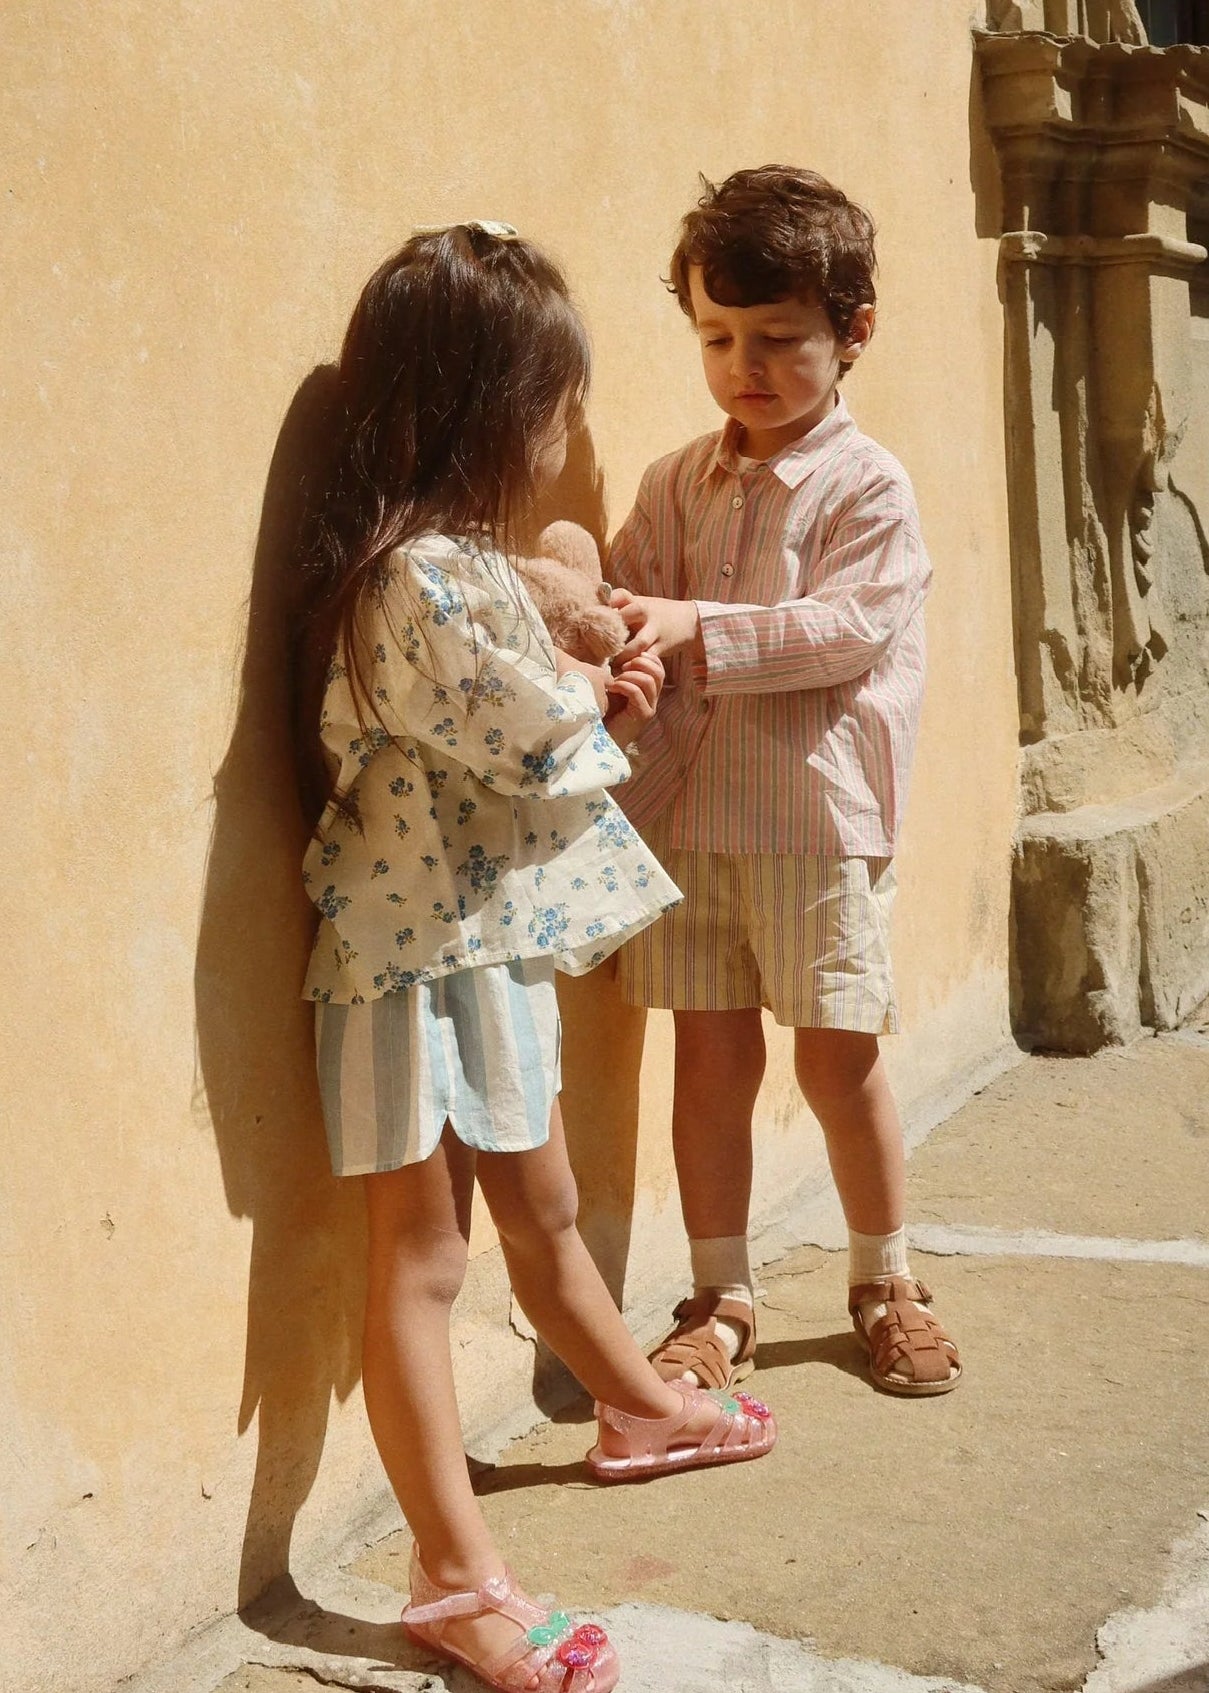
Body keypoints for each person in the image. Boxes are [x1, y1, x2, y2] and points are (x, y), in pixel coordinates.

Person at [293, 222, 777, 1693]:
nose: (567, 427)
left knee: (546, 1203)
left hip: (481, 939)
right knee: (425, 1257)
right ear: (489, 406)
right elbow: (526, 728)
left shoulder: (462, 572)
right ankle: (454, 1581)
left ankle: (630, 1406)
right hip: (405, 962)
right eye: (555, 400)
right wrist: (610, 702)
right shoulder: (412, 580)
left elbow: (533, 690)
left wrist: (589, 676)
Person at [608, 167, 962, 1401]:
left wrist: (687, 624)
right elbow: (626, 605)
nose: (742, 365)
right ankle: (720, 1294)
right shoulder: (672, 484)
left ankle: (885, 1276)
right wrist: (618, 652)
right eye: (716, 336)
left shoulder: (871, 487)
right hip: (691, 822)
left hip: (813, 822)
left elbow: (843, 630)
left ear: (852, 333)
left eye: (776, 339)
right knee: (708, 1057)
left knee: (836, 1058)